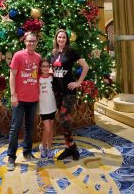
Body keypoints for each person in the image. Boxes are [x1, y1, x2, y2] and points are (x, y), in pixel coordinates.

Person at [50, 28, 89, 161]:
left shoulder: (71, 52)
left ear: (67, 39)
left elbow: (86, 66)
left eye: (64, 37)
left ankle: (71, 146)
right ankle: (69, 147)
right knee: (62, 119)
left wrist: (78, 82)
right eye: (59, 37)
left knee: (65, 118)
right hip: (56, 91)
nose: (61, 39)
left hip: (68, 90)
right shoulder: (53, 53)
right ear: (56, 39)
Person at [7, 32, 42, 171]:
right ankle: (11, 157)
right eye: (29, 41)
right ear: (25, 42)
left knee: (29, 127)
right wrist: (13, 95)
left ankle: (27, 152)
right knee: (15, 128)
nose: (31, 43)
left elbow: (39, 76)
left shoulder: (38, 57)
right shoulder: (18, 55)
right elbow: (12, 75)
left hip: (33, 99)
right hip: (19, 99)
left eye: (34, 41)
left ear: (37, 42)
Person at [38, 58, 57, 159]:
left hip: (52, 107)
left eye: (47, 66)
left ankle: (49, 148)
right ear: (40, 68)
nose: (45, 68)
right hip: (43, 108)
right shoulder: (38, 79)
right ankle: (43, 146)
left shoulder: (52, 77)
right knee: (47, 128)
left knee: (51, 128)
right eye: (43, 66)